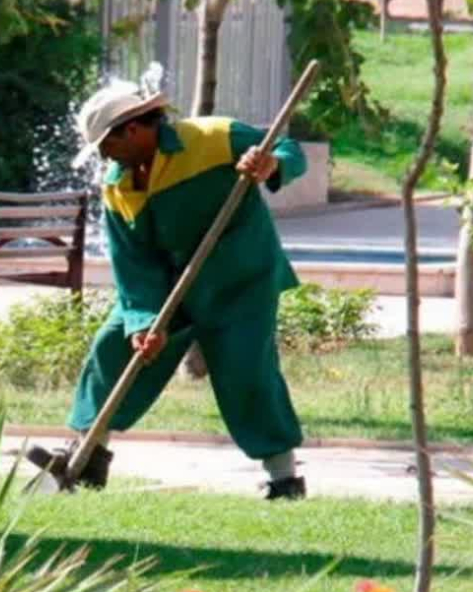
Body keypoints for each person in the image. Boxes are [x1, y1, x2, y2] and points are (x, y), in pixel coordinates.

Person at [30, 76, 309, 500]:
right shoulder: (117, 184)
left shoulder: (214, 137)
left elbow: (291, 150)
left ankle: (284, 479)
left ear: (134, 129)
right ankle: (87, 457)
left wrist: (269, 164)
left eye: (107, 144)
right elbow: (132, 261)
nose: (104, 156)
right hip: (168, 286)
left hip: (240, 281)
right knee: (113, 348)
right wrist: (142, 321)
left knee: (246, 371)